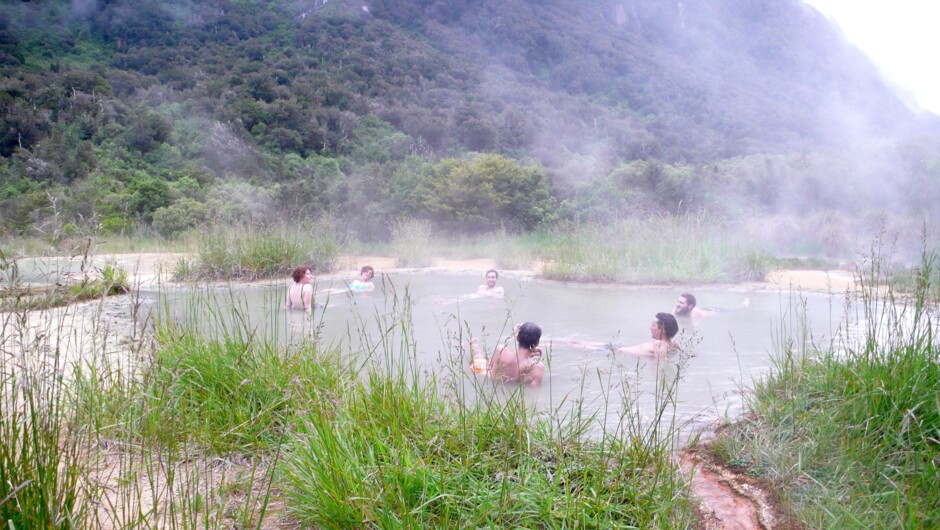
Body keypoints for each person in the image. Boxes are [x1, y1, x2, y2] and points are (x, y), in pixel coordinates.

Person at [552, 312, 680, 359]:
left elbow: (661, 368)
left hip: (614, 352)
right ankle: (542, 340)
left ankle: (540, 341)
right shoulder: (674, 343)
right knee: (574, 342)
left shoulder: (659, 345)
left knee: (573, 343)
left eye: (653, 325)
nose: (650, 328)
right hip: (616, 348)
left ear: (662, 330)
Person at [483, 322, 545, 386]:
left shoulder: (500, 350)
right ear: (538, 342)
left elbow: (490, 368)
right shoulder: (536, 367)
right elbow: (534, 391)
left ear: (517, 337)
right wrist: (530, 350)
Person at [674, 292, 749, 320]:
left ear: (690, 306)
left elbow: (691, 326)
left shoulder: (694, 313)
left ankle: (743, 305)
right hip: (706, 309)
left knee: (732, 310)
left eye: (681, 302)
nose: (678, 304)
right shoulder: (678, 308)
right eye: (678, 301)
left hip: (717, 312)